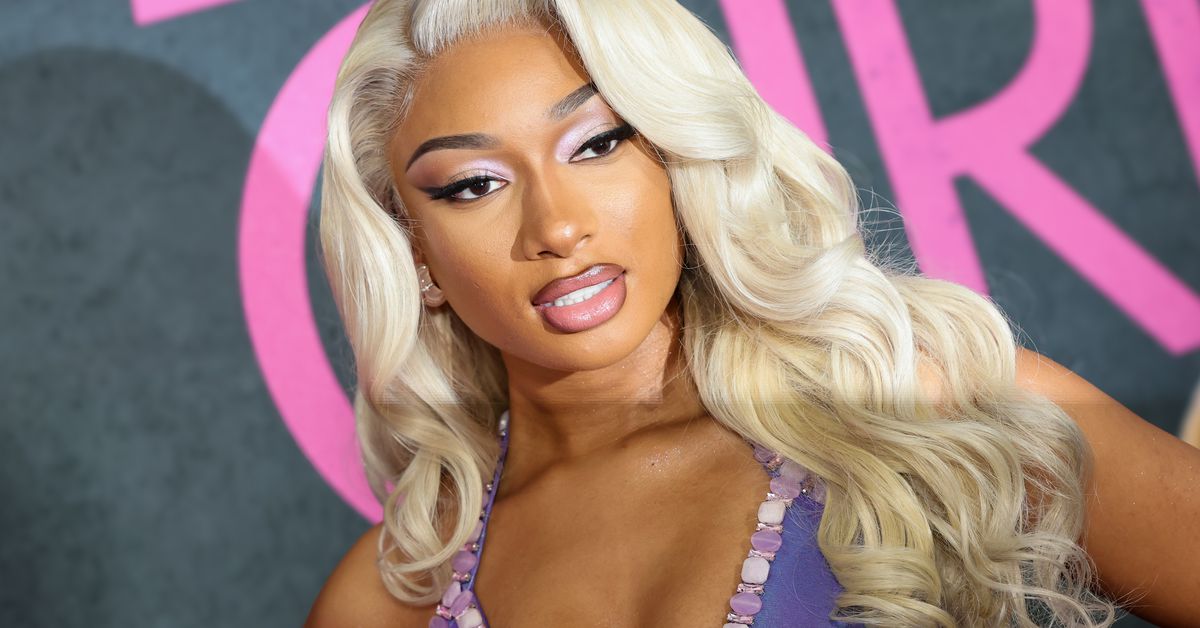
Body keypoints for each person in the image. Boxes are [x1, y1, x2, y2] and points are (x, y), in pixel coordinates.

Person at [304, 0, 1200, 626]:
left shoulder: (920, 402)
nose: (558, 227)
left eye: (598, 142)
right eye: (473, 185)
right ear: (413, 250)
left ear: (675, 153)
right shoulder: (391, 597)